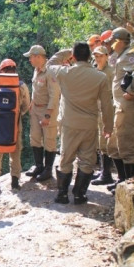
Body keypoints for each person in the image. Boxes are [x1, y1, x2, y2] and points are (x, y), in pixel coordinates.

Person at [50, 42, 114, 204]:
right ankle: (79, 195)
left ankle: (62, 194)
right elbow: (107, 104)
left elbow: (50, 64)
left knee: (66, 158)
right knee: (87, 161)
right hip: (89, 125)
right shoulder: (100, 77)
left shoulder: (64, 73)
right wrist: (108, 126)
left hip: (69, 124)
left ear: (74, 56)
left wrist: (66, 53)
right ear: (89, 57)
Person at [0, 59, 30, 191]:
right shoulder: (21, 86)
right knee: (15, 150)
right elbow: (26, 106)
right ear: (15, 69)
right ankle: (15, 182)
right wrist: (17, 113)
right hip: (15, 121)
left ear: (1, 70)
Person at [106, 27, 134, 193]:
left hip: (127, 107)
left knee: (127, 145)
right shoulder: (120, 56)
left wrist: (132, 91)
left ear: (121, 41)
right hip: (118, 105)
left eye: (113, 40)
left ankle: (130, 186)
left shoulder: (130, 55)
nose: (111, 43)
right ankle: (121, 180)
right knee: (114, 145)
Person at [23, 45, 61, 182]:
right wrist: (32, 105)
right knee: (34, 138)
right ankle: (39, 166)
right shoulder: (36, 70)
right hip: (36, 109)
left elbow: (54, 95)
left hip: (47, 110)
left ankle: (48, 169)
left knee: (49, 140)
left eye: (31, 57)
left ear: (38, 56)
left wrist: (48, 115)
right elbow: (36, 90)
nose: (30, 60)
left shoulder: (50, 72)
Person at [90, 46, 115, 185]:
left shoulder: (110, 72)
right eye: (96, 56)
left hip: (106, 109)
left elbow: (111, 93)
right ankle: (102, 171)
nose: (98, 58)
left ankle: (107, 174)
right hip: (95, 110)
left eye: (100, 56)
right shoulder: (94, 70)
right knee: (99, 142)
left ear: (106, 56)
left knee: (106, 142)